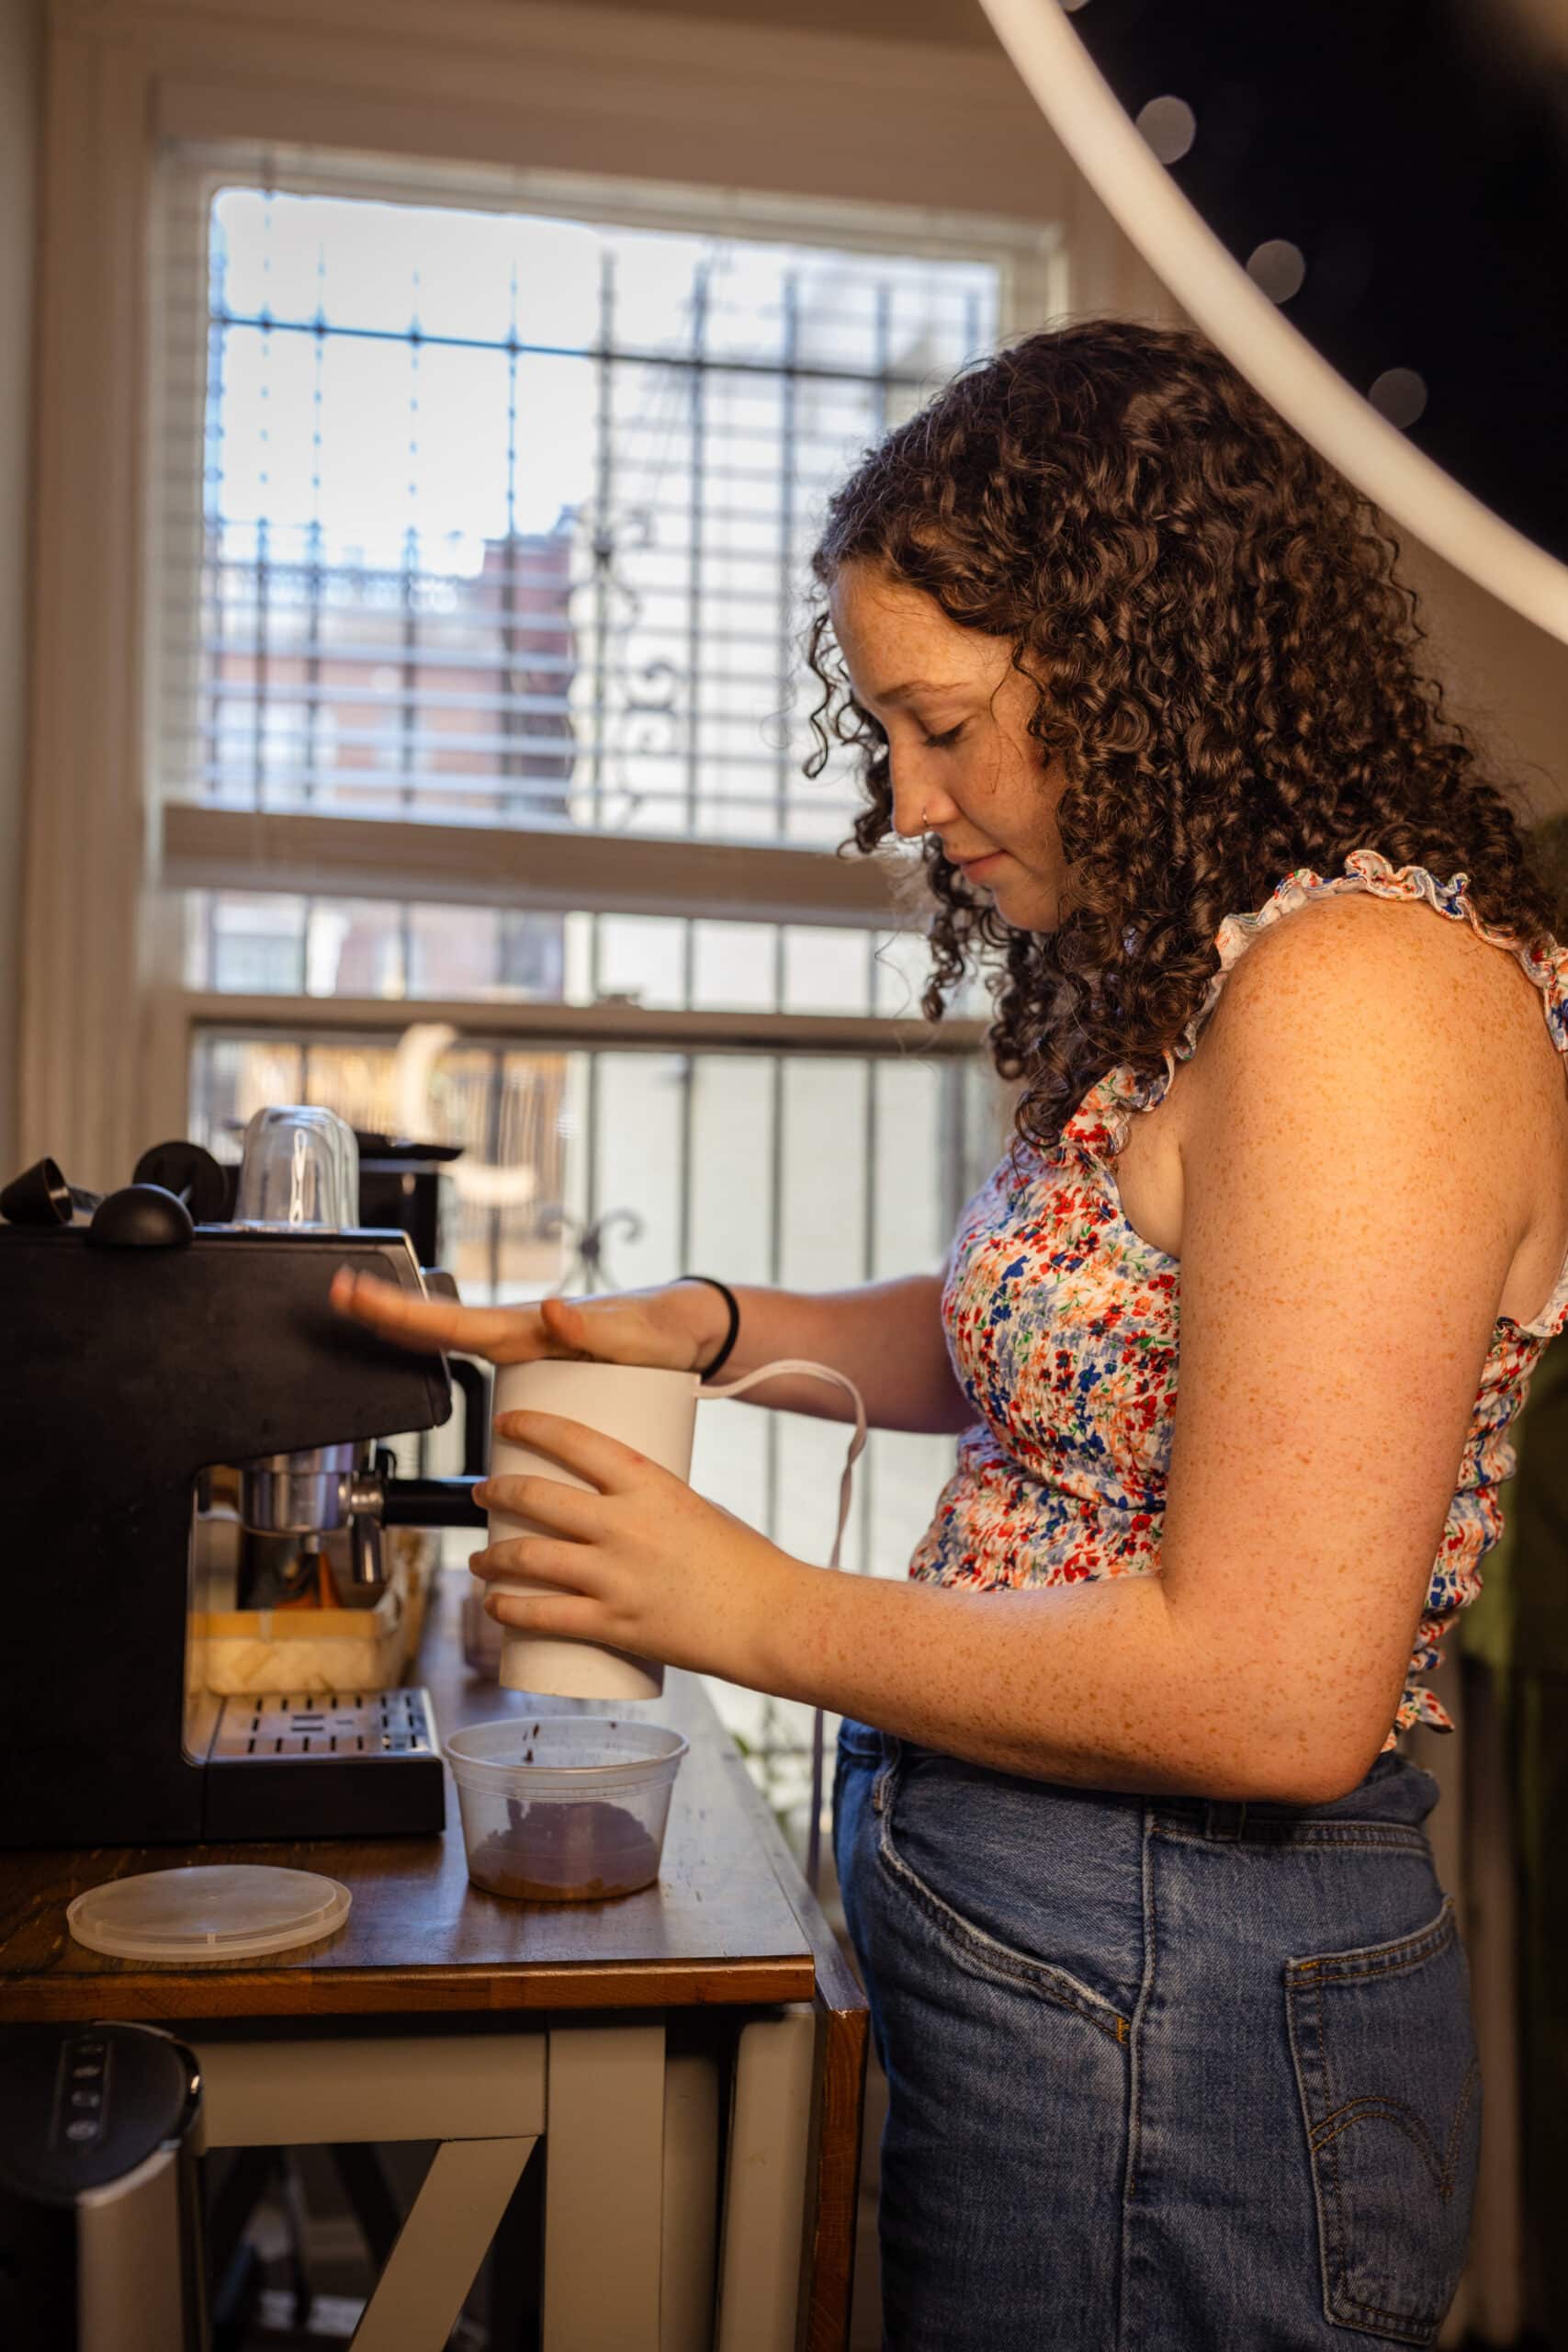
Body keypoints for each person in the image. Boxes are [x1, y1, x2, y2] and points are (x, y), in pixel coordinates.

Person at [330, 321, 1568, 2350]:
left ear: (1136, 663)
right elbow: (1075, 1346)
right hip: (1061, 1941)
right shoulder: (1202, 967)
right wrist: (710, 1326)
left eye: (942, 725)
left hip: (1184, 1987)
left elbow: (1272, 1692)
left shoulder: (1368, 1002)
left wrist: (730, 1597)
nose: (901, 800)